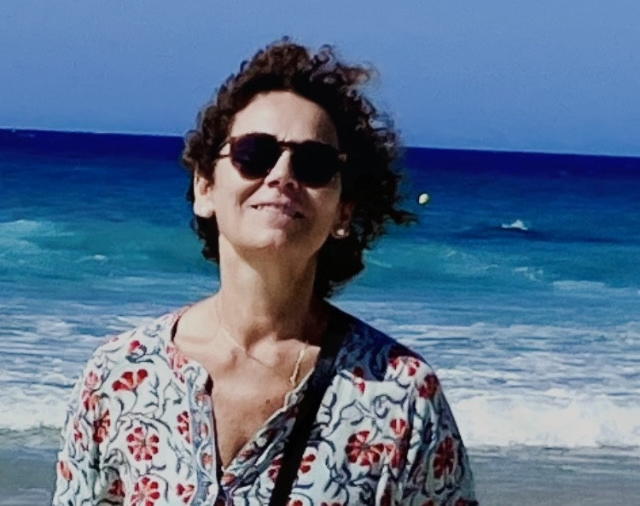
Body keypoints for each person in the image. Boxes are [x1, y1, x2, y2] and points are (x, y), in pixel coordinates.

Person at [53, 40, 477, 505]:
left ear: (343, 211)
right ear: (205, 187)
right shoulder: (119, 376)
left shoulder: (401, 395)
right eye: (254, 153)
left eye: (314, 163)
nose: (281, 175)